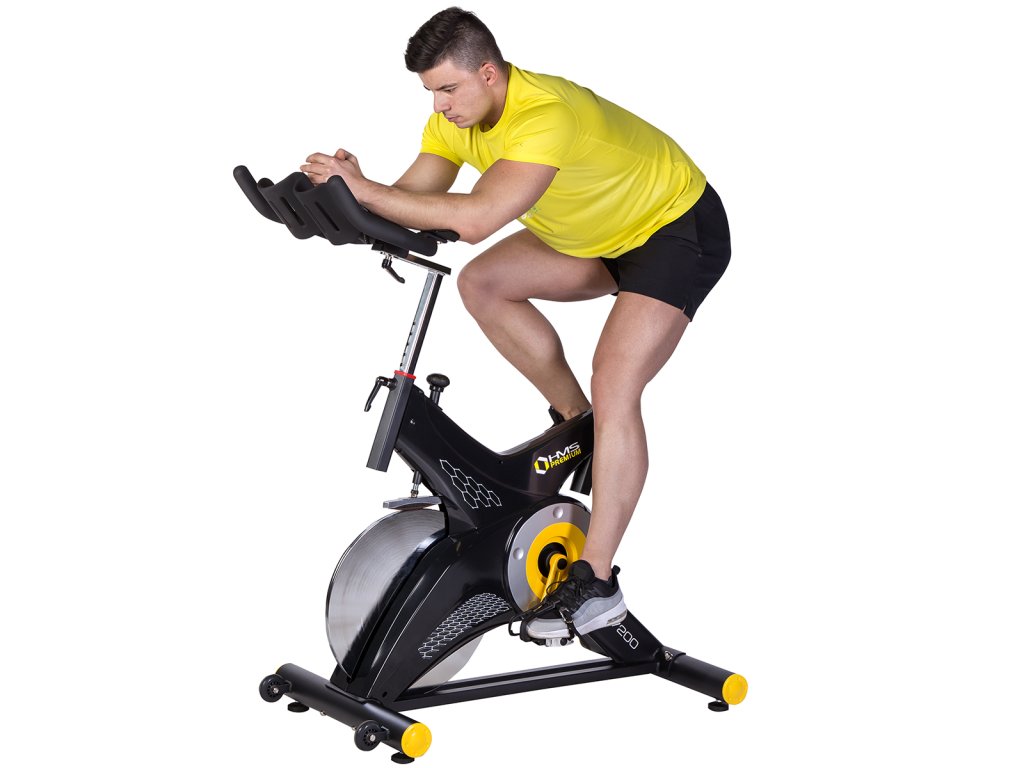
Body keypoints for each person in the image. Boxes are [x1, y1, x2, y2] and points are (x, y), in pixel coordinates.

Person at [300, 7, 731, 642]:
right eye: (431, 92)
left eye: (449, 89)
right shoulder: (455, 122)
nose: (440, 105)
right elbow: (410, 203)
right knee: (483, 284)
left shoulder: (545, 115)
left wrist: (362, 191)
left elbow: (476, 219)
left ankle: (596, 581)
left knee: (616, 384)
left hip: (674, 229)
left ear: (489, 73)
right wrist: (338, 199)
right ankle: (580, 425)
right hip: (594, 237)